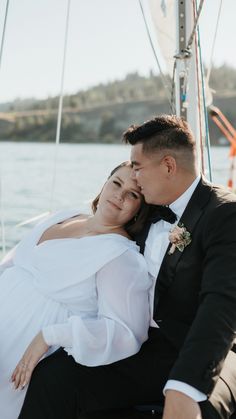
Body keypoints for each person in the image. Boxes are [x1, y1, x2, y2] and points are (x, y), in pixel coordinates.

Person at [19, 115, 236, 419]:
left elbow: (222, 304)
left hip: (200, 346)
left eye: (137, 167)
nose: (135, 177)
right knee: (54, 378)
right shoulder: (147, 208)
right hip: (141, 343)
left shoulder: (224, 214)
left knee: (203, 406)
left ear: (169, 166)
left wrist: (184, 385)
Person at [0, 161, 152, 419]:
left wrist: (48, 336)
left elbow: (125, 332)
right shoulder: (66, 215)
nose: (119, 195)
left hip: (21, 348)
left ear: (140, 208)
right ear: (104, 184)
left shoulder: (120, 256)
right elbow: (15, 261)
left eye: (132, 194)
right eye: (116, 183)